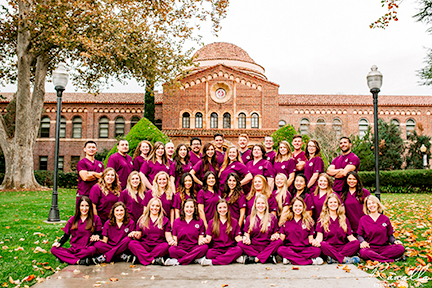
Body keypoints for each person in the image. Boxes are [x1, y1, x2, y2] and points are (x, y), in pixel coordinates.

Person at [51, 196, 102, 265]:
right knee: (53, 249)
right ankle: (79, 261)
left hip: (86, 249)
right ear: (79, 207)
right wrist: (59, 243)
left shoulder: (95, 219)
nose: (84, 208)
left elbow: (99, 233)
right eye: (82, 206)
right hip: (74, 249)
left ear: (90, 207)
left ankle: (66, 258)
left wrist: (96, 236)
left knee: (92, 250)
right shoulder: (73, 219)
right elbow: (66, 235)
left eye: (87, 206)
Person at [312, 193, 360, 264]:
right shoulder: (322, 219)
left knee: (356, 243)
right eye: (330, 202)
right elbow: (319, 237)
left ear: (338, 204)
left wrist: (359, 244)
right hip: (328, 247)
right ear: (327, 204)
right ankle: (343, 259)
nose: (333, 204)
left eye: (335, 202)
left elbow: (350, 236)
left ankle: (334, 258)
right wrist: (316, 242)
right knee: (323, 244)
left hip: (342, 247)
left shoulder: (344, 219)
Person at [357, 195, 405, 263]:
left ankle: (376, 257)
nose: (371, 205)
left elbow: (390, 235)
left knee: (400, 248)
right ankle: (388, 259)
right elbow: (359, 235)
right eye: (369, 204)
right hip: (370, 248)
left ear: (377, 204)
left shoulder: (385, 219)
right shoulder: (363, 219)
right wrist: (363, 242)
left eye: (373, 203)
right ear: (366, 206)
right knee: (363, 252)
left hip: (384, 248)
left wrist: (394, 241)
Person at [237, 194, 282, 264]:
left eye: (263, 203)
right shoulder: (250, 218)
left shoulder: (272, 218)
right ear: (255, 205)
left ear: (266, 205)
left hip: (267, 246)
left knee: (279, 241)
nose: (260, 205)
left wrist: (275, 235)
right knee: (240, 243)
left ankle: (255, 258)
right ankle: (267, 257)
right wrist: (246, 238)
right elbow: (247, 233)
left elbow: (275, 232)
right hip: (254, 246)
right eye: (258, 203)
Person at [128, 198, 175, 266]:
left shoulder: (165, 220)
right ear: (149, 206)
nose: (154, 208)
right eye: (152, 205)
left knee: (166, 246)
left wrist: (171, 241)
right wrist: (135, 234)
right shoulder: (142, 219)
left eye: (157, 206)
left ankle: (141, 258)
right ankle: (153, 260)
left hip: (158, 246)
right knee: (132, 243)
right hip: (145, 245)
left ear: (160, 208)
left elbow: (168, 236)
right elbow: (139, 235)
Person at [277, 197, 323, 265]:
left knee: (317, 251)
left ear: (303, 207)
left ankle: (290, 259)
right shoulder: (286, 220)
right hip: (290, 248)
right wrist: (276, 235)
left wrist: (315, 242)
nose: (298, 208)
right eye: (296, 206)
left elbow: (310, 240)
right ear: (292, 207)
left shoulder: (309, 221)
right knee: (280, 250)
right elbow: (282, 237)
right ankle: (310, 261)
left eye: (300, 206)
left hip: (304, 249)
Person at [201, 199, 243, 266]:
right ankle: (232, 259)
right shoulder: (211, 222)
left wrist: (244, 239)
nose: (222, 210)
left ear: (227, 208)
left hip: (230, 249)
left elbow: (237, 238)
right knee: (209, 253)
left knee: (239, 250)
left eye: (224, 207)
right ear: (217, 209)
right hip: (217, 249)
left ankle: (212, 262)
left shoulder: (234, 222)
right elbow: (208, 238)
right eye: (220, 208)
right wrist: (204, 240)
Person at [167, 199, 209, 266]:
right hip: (181, 248)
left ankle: (178, 261)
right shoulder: (176, 222)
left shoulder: (200, 221)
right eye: (187, 207)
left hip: (194, 248)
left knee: (204, 247)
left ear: (194, 208)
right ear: (183, 208)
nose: (189, 209)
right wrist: (173, 242)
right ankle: (195, 259)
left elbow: (200, 241)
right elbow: (175, 240)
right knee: (171, 250)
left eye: (191, 207)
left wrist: (203, 241)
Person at [76, 141, 104, 206]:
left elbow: (103, 178)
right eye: (89, 147)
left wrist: (91, 173)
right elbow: (85, 178)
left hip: (97, 195)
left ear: (96, 149)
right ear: (84, 149)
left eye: (93, 147)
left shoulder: (100, 164)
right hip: (84, 194)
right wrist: (97, 175)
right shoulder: (82, 163)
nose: (91, 149)